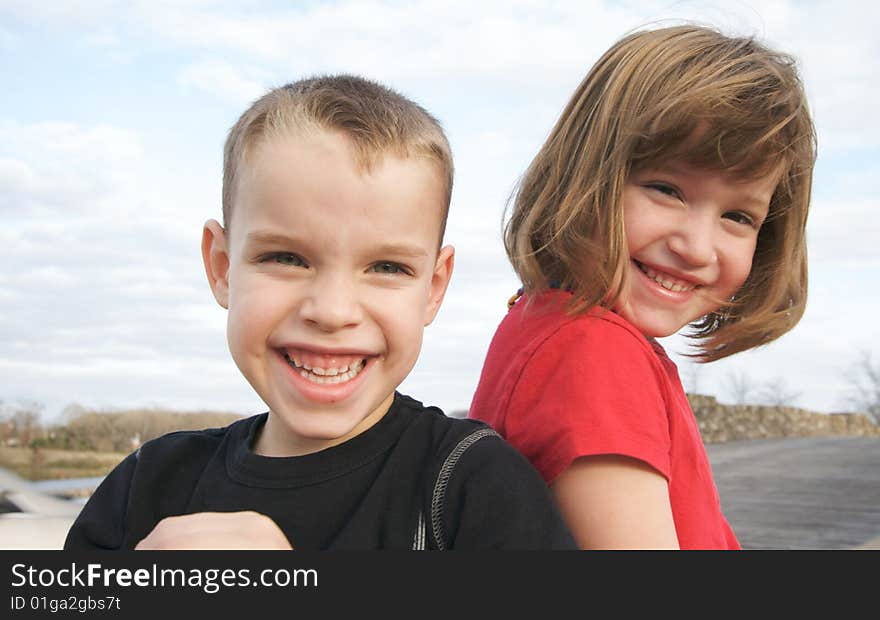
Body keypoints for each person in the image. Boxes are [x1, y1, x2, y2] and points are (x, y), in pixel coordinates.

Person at [64, 75, 575, 551]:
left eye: (387, 267)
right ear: (221, 266)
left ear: (433, 288)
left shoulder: (473, 486)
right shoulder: (145, 485)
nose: (332, 312)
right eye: (285, 258)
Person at [469, 24, 816, 550]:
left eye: (739, 217)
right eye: (666, 189)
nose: (697, 248)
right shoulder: (593, 350)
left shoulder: (552, 324)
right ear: (584, 176)